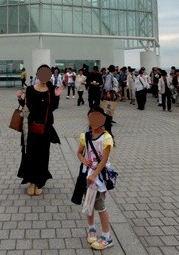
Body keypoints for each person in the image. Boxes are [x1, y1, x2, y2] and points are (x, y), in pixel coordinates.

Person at [16, 64, 64, 196]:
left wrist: (56, 96)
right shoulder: (30, 89)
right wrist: (20, 98)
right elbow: (25, 107)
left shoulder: (51, 89)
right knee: (30, 155)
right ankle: (32, 182)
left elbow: (53, 108)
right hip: (30, 129)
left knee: (42, 155)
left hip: (44, 129)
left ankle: (39, 182)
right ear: (37, 75)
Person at [76, 106, 114, 250]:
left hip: (98, 178)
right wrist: (83, 160)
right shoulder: (84, 136)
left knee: (100, 206)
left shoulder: (106, 137)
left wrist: (94, 174)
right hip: (86, 176)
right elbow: (79, 152)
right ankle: (91, 229)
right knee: (88, 203)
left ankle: (106, 236)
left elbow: (104, 160)